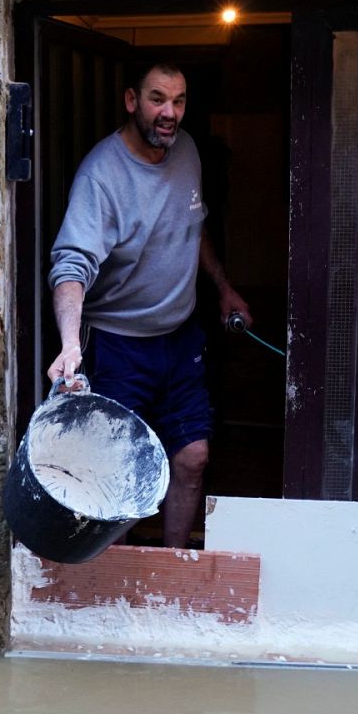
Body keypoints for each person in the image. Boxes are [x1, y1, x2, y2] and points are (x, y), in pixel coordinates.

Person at [46, 62, 250, 550]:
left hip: (179, 338)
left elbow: (191, 226)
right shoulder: (102, 175)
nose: (170, 113)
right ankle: (109, 576)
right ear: (132, 101)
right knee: (113, 471)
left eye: (179, 101)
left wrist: (223, 287)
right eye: (158, 99)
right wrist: (70, 345)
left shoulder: (188, 152)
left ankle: (173, 567)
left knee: (193, 457)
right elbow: (71, 266)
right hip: (117, 344)